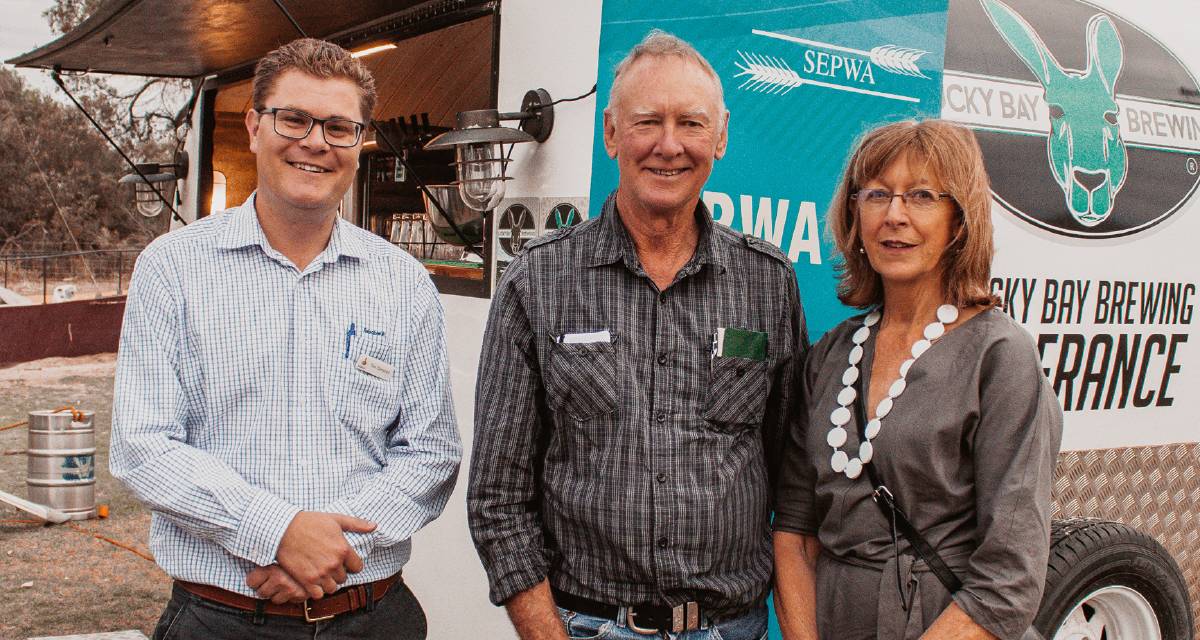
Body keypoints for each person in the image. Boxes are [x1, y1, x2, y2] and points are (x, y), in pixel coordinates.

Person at [110, 38, 461, 640]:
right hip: (221, 620)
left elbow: (431, 452)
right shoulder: (172, 268)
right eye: (293, 118)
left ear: (359, 141)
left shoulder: (402, 282)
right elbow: (144, 447)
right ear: (253, 127)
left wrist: (326, 549)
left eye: (338, 127)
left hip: (373, 619)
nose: (315, 142)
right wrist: (274, 530)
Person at [468, 29, 806, 640]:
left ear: (721, 136)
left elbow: (793, 481)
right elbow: (497, 498)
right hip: (588, 626)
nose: (668, 145)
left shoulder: (768, 282)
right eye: (648, 121)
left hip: (731, 628)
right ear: (611, 133)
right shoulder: (538, 280)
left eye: (692, 124)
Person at [772, 119, 1062, 640]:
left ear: (958, 222)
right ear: (854, 215)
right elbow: (795, 531)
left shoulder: (999, 356)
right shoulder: (831, 353)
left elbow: (1008, 578)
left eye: (922, 196)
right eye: (877, 194)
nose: (894, 215)